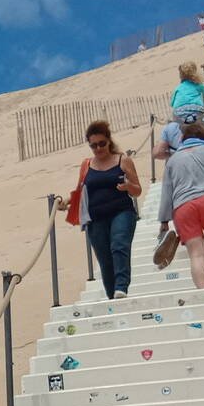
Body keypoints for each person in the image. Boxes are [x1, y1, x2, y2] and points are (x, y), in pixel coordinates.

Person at [67, 120, 142, 300]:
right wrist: (66, 202)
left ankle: (122, 287)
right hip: (96, 218)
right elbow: (80, 190)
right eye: (94, 145)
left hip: (122, 212)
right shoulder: (86, 165)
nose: (98, 148)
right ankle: (112, 297)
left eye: (102, 143)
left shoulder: (123, 160)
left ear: (109, 141)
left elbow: (137, 190)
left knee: (119, 245)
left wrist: (127, 186)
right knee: (105, 259)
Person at [159, 120, 204, 289]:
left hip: (183, 206)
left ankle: (203, 291)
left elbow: (166, 191)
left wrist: (164, 220)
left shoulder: (172, 160)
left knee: (196, 255)